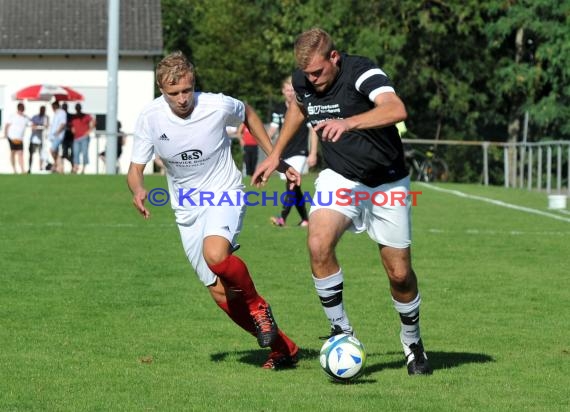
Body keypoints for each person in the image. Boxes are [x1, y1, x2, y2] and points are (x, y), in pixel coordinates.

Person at [252, 28, 432, 375]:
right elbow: (298, 109)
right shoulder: (305, 81)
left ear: (334, 57)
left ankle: (412, 340)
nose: (313, 80)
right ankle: (342, 331)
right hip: (341, 177)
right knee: (318, 243)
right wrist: (275, 155)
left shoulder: (362, 72)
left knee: (399, 274)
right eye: (307, 75)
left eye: (318, 72)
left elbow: (396, 108)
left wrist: (349, 122)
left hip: (387, 182)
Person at [127, 51, 300, 369]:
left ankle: (258, 304)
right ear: (161, 91)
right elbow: (134, 169)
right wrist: (138, 189)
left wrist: (275, 157)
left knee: (216, 255)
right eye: (173, 93)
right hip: (186, 208)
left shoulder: (216, 104)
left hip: (224, 191)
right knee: (220, 294)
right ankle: (283, 349)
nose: (182, 99)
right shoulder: (150, 117)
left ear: (194, 83)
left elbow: (247, 112)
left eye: (186, 90)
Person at [267, 76, 318, 227]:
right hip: (284, 154)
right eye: (287, 90)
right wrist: (265, 141)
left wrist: (313, 152)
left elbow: (313, 131)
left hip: (300, 152)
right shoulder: (279, 110)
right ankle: (306, 219)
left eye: (292, 90)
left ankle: (282, 218)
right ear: (283, 91)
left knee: (292, 183)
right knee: (295, 187)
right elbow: (272, 130)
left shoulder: (304, 107)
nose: (290, 93)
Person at [4, 102, 30, 174]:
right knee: (13, 152)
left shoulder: (25, 118)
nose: (22, 110)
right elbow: (7, 125)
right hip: (12, 137)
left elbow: (31, 124)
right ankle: (14, 170)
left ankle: (22, 170)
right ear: (18, 108)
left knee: (20, 153)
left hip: (20, 138)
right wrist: (5, 134)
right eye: (21, 108)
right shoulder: (13, 116)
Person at [70, 103, 94, 174]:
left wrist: (88, 131)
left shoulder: (86, 116)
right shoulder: (74, 117)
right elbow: (72, 126)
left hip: (84, 137)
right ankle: (76, 168)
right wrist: (73, 129)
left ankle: (83, 169)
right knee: (76, 153)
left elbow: (93, 122)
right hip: (76, 138)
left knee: (84, 153)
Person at [28, 105, 49, 173]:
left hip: (41, 139)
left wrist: (39, 126)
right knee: (31, 154)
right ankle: (29, 168)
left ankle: (40, 168)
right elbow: (32, 126)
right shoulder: (35, 117)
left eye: (43, 110)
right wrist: (40, 126)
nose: (42, 111)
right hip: (33, 139)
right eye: (41, 109)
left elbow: (46, 126)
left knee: (41, 154)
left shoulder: (46, 118)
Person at [48, 101, 68, 173]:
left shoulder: (62, 113)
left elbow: (63, 123)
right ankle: (60, 168)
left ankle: (57, 165)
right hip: (53, 136)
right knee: (56, 152)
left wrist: (57, 132)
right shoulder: (56, 114)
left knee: (52, 150)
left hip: (58, 136)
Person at [60, 102, 74, 172]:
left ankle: (73, 167)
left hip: (71, 137)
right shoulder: (60, 116)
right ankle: (72, 164)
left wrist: (66, 126)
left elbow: (72, 125)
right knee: (64, 153)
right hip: (64, 138)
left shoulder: (70, 116)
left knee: (72, 153)